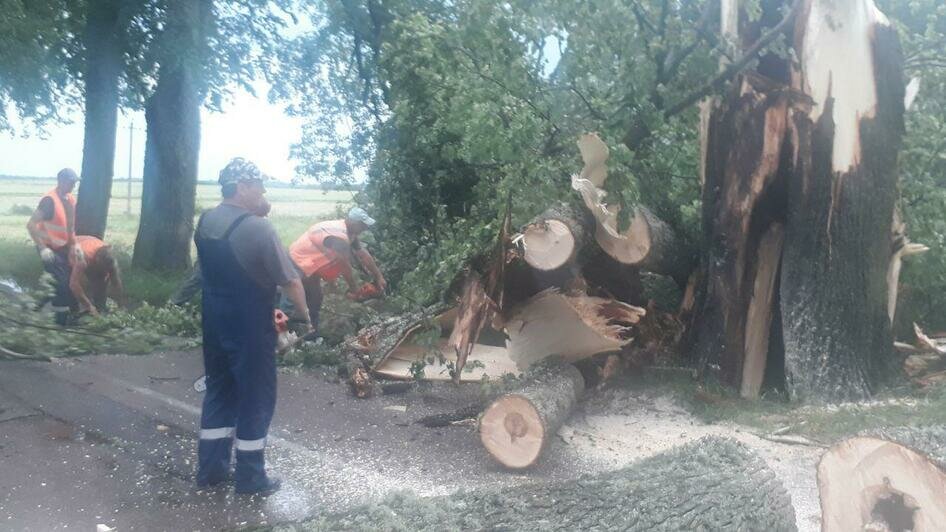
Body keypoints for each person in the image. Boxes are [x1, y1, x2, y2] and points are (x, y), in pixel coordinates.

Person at [194, 157, 311, 496]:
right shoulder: (258, 228)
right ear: (242, 188)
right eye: (258, 185)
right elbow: (290, 281)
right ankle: (250, 477)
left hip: (214, 320)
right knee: (255, 397)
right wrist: (303, 316)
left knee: (219, 391)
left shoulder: (206, 221)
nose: (262, 190)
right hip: (248, 325)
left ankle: (211, 469)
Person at [288, 206, 386, 332]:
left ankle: (309, 332)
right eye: (362, 225)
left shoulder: (349, 232)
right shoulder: (338, 236)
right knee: (294, 298)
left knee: (315, 298)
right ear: (353, 223)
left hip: (311, 266)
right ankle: (286, 330)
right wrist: (354, 289)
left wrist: (379, 277)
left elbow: (363, 254)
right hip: (298, 261)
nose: (365, 228)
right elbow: (344, 265)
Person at [170, 197, 271, 306]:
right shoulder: (237, 219)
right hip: (214, 254)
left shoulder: (249, 221)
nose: (261, 218)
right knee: (196, 279)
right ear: (253, 210)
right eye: (261, 215)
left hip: (222, 257)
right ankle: (173, 305)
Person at [26, 168, 80, 325]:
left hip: (62, 248)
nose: (73, 186)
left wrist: (75, 245)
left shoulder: (70, 199)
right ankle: (60, 324)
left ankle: (33, 310)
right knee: (61, 284)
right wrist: (42, 248)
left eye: (75, 183)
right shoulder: (49, 201)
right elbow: (31, 225)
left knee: (69, 282)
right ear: (61, 181)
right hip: (49, 249)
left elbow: (70, 227)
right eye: (71, 182)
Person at [69, 236, 126, 315]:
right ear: (97, 260)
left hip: (88, 247)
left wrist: (120, 305)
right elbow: (74, 284)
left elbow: (115, 282)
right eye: (103, 269)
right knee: (77, 285)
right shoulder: (82, 259)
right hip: (68, 252)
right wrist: (89, 306)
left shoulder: (109, 258)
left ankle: (100, 307)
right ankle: (77, 308)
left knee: (102, 280)